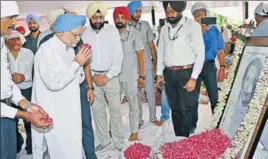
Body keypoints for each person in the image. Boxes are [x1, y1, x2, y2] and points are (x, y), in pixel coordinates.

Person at [38, 10, 97, 159]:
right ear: (61, 32)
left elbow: (76, 79)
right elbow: (53, 83)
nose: (78, 39)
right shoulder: (46, 50)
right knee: (62, 152)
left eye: (80, 35)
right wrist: (77, 63)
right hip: (57, 113)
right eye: (75, 35)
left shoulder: (69, 49)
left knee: (75, 149)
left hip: (72, 110)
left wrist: (80, 63)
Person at [1, 1, 51, 159]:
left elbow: (7, 82)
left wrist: (26, 104)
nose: (14, 22)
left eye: (15, 17)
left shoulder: (2, 44)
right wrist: (27, 116)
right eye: (10, 17)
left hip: (7, 111)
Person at [157, 1, 205, 137]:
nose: (170, 14)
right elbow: (160, 52)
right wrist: (159, 74)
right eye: (167, 12)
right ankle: (179, 139)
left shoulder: (192, 26)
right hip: (169, 74)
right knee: (175, 109)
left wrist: (194, 78)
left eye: (172, 11)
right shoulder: (164, 29)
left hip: (186, 73)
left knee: (186, 108)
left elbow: (200, 54)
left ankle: (186, 140)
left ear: (180, 10)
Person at [82, 2, 125, 152]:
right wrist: (93, 76)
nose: (98, 20)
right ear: (90, 18)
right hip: (91, 77)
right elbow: (83, 57)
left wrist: (108, 75)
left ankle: (119, 141)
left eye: (100, 17)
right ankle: (105, 141)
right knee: (98, 111)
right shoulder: (84, 33)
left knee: (115, 110)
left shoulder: (112, 31)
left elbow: (118, 55)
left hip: (111, 77)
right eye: (95, 17)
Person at [191, 2, 226, 131]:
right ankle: (191, 127)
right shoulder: (189, 30)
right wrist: (199, 31)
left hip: (209, 66)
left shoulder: (214, 30)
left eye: (202, 11)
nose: (199, 13)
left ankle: (217, 126)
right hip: (193, 68)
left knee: (214, 96)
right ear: (193, 16)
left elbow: (220, 50)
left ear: (206, 13)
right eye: (196, 12)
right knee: (192, 98)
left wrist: (222, 67)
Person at [127, 1, 162, 127]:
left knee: (150, 92)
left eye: (140, 11)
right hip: (131, 68)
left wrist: (156, 61)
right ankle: (139, 120)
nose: (138, 13)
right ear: (130, 12)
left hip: (146, 65)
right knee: (135, 96)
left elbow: (151, 45)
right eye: (136, 11)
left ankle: (153, 118)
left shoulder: (145, 25)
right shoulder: (125, 27)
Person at [113, 6, 145, 141]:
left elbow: (140, 55)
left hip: (130, 75)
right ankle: (115, 131)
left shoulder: (134, 34)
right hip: (113, 76)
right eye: (117, 17)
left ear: (126, 18)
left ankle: (134, 131)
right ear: (114, 19)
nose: (120, 20)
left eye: (122, 17)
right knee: (114, 106)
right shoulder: (111, 34)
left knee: (133, 103)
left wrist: (142, 76)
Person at [6, 30, 35, 154]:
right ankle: (17, 145)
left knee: (29, 120)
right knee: (12, 120)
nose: (16, 41)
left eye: (18, 38)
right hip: (9, 93)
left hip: (27, 89)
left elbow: (34, 71)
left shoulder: (29, 53)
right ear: (7, 41)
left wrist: (24, 77)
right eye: (12, 39)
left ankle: (31, 147)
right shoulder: (4, 54)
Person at [229, 58, 263, 138]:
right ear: (243, 79)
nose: (248, 89)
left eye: (254, 82)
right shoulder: (231, 109)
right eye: (247, 78)